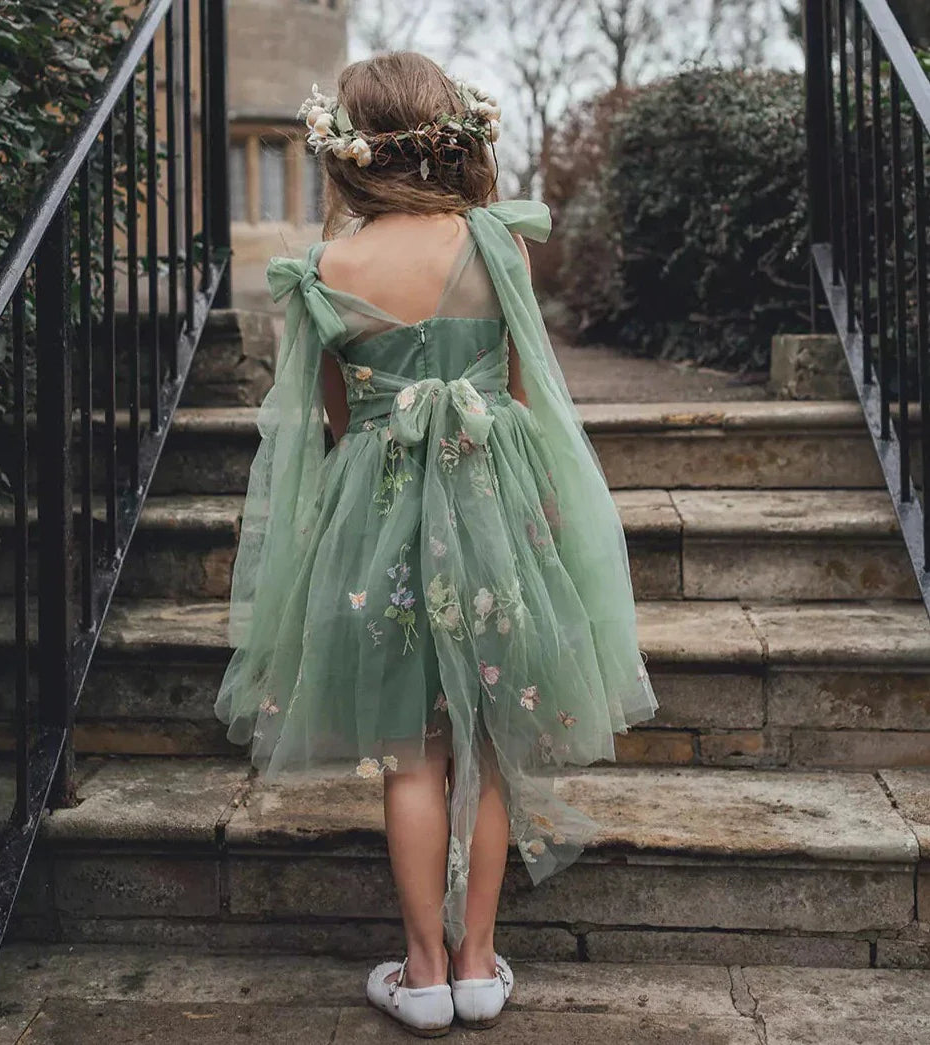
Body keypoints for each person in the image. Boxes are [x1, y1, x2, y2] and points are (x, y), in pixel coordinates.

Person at [213, 51, 659, 1037]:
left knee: (411, 759)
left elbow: (335, 423)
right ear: (451, 130)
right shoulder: (492, 244)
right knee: (485, 748)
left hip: (379, 521)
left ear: (349, 146)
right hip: (492, 505)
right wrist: (543, 506)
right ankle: (475, 963)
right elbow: (528, 388)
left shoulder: (326, 266)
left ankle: (416, 972)